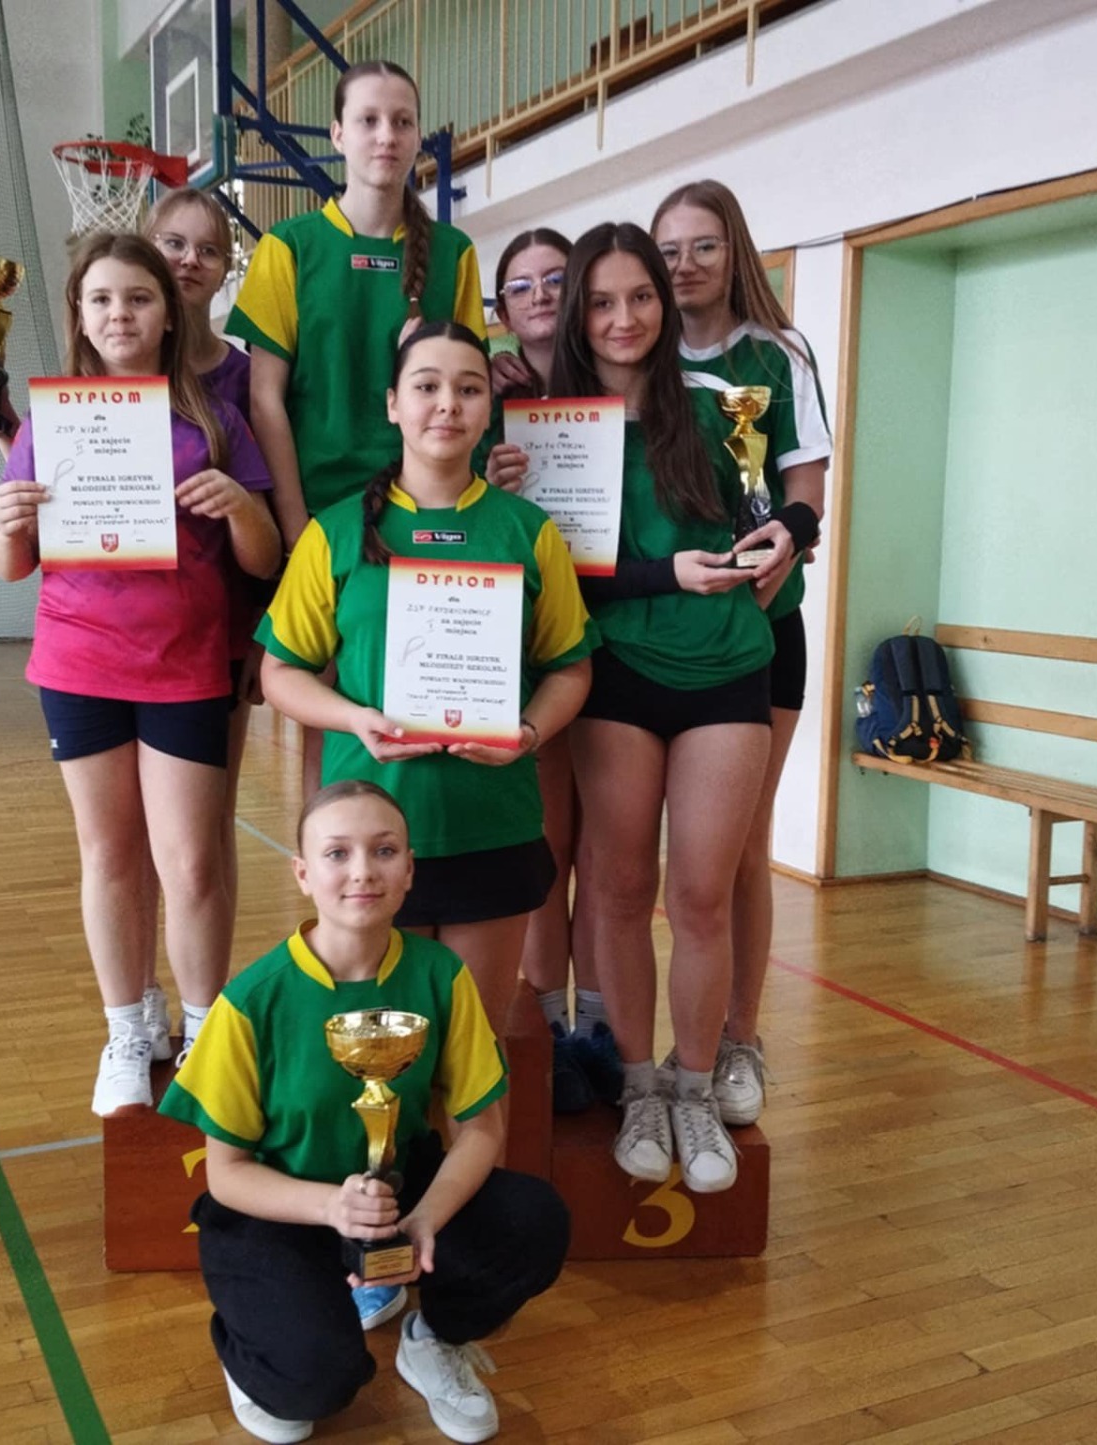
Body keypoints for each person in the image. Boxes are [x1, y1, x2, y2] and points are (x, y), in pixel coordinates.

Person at [160, 780, 569, 1444]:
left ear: (409, 869)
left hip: (398, 1191)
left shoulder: (441, 974)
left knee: (534, 1218)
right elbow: (226, 1174)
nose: (362, 871)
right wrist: (331, 1207)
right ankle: (253, 1353)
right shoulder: (251, 1000)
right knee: (313, 1388)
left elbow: (481, 1128)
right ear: (303, 873)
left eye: (384, 851)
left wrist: (423, 1221)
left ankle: (433, 1339)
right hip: (280, 1208)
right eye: (337, 853)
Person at [0, 232, 279, 1114]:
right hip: (79, 662)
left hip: (186, 665)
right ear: (79, 315)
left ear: (169, 313)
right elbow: (11, 566)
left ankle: (202, 1031)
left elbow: (265, 559)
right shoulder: (51, 423)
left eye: (139, 298)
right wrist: (6, 521)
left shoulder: (215, 421)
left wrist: (240, 506)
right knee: (109, 854)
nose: (121, 314)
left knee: (190, 861)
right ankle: (125, 1028)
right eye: (103, 298)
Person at [258, 321, 594, 1038]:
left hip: (490, 824)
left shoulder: (528, 531)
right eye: (427, 386)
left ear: (487, 408)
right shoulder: (335, 532)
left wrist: (529, 732)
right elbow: (281, 672)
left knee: (473, 1049)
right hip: (371, 836)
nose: (447, 404)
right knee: (380, 1058)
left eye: (469, 389)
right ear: (393, 404)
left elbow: (570, 667)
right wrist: (354, 719)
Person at [552, 222, 795, 1194]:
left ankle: (696, 1086)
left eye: (641, 296)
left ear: (664, 301)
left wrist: (767, 553)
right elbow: (556, 571)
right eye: (602, 301)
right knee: (619, 891)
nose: (624, 318)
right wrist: (661, 574)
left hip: (726, 670)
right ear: (578, 312)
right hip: (616, 672)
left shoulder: (722, 407)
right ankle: (640, 1084)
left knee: (701, 893)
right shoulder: (551, 430)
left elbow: (772, 524)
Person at [228, 59, 488, 798]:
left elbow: (467, 387)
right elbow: (265, 399)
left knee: (428, 709)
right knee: (336, 721)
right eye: (369, 120)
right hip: (324, 518)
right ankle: (333, 866)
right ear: (338, 134)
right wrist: (296, 527)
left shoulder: (454, 254)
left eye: (402, 121)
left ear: (418, 137)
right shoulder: (288, 247)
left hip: (423, 513)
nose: (386, 135)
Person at [653, 180, 831, 1126]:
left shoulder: (779, 353)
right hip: (657, 635)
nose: (684, 265)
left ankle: (741, 1039)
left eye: (704, 246)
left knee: (738, 851)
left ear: (735, 253)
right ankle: (647, 1047)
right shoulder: (637, 355)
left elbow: (806, 488)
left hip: (763, 630)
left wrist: (789, 535)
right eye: (669, 249)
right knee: (655, 869)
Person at [472, 230, 621, 1115]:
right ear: (499, 305)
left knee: (606, 850)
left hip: (619, 626)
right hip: (523, 641)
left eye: (556, 280)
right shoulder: (485, 393)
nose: (539, 296)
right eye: (519, 285)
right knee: (546, 844)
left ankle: (597, 1024)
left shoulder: (616, 379)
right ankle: (545, 1026)